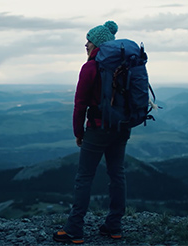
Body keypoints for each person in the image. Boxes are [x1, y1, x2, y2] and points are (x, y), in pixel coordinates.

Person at [53, 21, 131, 244]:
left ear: (97, 43)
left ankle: (74, 229)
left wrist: (78, 132)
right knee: (117, 174)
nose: (85, 44)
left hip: (97, 129)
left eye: (88, 40)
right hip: (121, 127)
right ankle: (114, 226)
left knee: (84, 177)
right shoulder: (124, 64)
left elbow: (80, 104)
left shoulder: (90, 67)